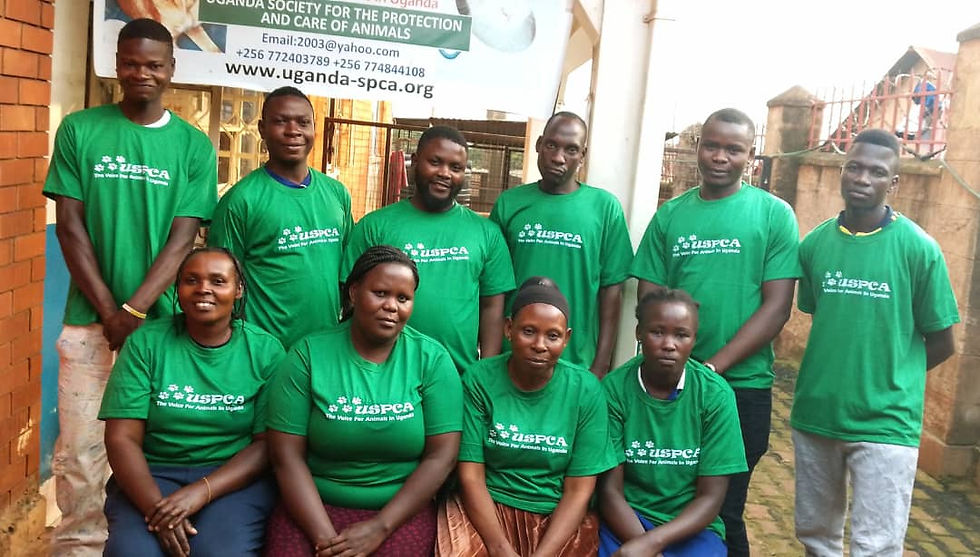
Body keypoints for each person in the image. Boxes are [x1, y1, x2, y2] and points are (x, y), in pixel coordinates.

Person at [42, 18, 218, 555]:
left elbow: (183, 237)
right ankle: (78, 546)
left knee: (155, 445)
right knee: (79, 452)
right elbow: (69, 227)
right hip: (88, 325)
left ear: (171, 69)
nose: (142, 73)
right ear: (116, 64)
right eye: (131, 62)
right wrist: (109, 312)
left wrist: (134, 314)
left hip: (163, 328)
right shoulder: (79, 129)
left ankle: (141, 540)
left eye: (154, 64)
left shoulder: (192, 146)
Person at [630, 108, 800, 556]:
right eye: (711, 145)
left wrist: (711, 367)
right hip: (668, 388)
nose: (720, 156)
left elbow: (778, 306)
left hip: (743, 388)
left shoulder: (773, 215)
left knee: (724, 510)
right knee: (663, 502)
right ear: (697, 147)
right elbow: (648, 303)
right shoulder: (670, 218)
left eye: (733, 149)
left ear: (752, 157)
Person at [791, 129, 958, 556]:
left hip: (886, 425)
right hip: (817, 415)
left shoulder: (919, 250)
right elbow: (822, 315)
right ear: (843, 172)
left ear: (894, 183)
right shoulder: (814, 245)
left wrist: (892, 379)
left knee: (877, 546)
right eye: (855, 167)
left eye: (878, 172)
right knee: (816, 536)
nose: (863, 178)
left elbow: (942, 341)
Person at [265, 245, 463, 556]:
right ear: (354, 292)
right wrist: (326, 540)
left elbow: (442, 457)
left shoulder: (432, 359)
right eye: (380, 293)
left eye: (403, 298)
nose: (391, 306)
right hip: (313, 507)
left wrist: (380, 527)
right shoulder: (308, 355)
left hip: (400, 512)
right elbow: (286, 457)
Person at [99, 248, 283, 556]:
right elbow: (121, 439)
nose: (204, 289)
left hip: (232, 479)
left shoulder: (266, 351)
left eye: (218, 280)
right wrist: (159, 511)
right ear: (177, 287)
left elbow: (266, 445)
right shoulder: (146, 343)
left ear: (238, 290)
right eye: (192, 280)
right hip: (152, 474)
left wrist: (200, 492)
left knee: (220, 552)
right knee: (133, 552)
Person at [436, 278, 616, 556]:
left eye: (553, 336)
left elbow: (579, 491)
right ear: (509, 328)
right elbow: (471, 475)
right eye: (528, 331)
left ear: (567, 338)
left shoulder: (586, 390)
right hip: (487, 507)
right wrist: (499, 548)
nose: (539, 345)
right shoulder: (479, 380)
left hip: (555, 515)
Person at [342, 126, 515, 371]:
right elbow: (350, 300)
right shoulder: (375, 226)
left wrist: (485, 373)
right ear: (414, 162)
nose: (444, 173)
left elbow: (492, 308)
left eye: (456, 168)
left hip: (458, 374)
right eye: (435, 162)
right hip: (382, 375)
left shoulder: (487, 233)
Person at [599, 288, 747, 557]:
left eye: (681, 334)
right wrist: (641, 545)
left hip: (690, 527)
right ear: (639, 334)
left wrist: (652, 545)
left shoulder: (715, 395)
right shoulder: (613, 391)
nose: (669, 344)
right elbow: (609, 491)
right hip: (626, 520)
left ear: (694, 339)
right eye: (657, 332)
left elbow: (711, 497)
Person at [490, 112, 633, 376]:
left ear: (583, 154)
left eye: (571, 149)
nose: (558, 157)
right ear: (539, 145)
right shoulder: (509, 204)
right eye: (552, 145)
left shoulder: (605, 208)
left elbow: (611, 292)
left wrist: (601, 364)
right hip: (511, 359)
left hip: (576, 364)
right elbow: (493, 289)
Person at [209, 86, 353, 349]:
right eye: (281, 122)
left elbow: (347, 276)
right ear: (262, 129)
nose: (293, 131)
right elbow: (219, 284)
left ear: (313, 128)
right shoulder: (241, 201)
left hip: (324, 350)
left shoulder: (337, 194)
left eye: (303, 122)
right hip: (264, 351)